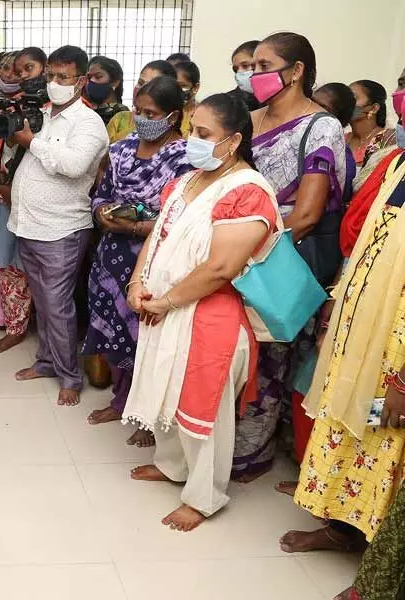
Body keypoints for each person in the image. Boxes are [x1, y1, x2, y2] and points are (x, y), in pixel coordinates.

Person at [124, 93, 275, 532]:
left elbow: (222, 267)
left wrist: (168, 300)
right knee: (167, 385)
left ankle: (204, 496)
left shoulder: (247, 190)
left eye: (203, 134)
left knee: (202, 405)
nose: (193, 140)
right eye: (193, 130)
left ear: (233, 141)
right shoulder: (188, 180)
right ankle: (172, 465)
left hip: (213, 314)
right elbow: (157, 238)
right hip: (166, 305)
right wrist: (137, 283)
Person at [281, 136, 405, 557]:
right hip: (362, 330)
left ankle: (376, 554)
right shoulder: (397, 165)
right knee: (348, 420)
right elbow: (369, 244)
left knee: (386, 430)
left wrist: (404, 381)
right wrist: (340, 297)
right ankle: (341, 527)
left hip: (396, 358)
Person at [235, 31, 348, 483]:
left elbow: (306, 214)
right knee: (242, 353)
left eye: (263, 66)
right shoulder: (252, 117)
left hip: (281, 258)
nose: (252, 75)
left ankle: (254, 452)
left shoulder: (319, 127)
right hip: (237, 254)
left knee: (272, 358)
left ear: (297, 70)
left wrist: (250, 244)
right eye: (250, 67)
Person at [83, 76, 193, 446]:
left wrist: (136, 226)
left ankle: (147, 417)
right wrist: (103, 216)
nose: (143, 118)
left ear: (173, 115)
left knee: (145, 335)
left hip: (153, 260)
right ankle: (121, 400)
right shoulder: (122, 148)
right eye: (138, 110)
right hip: (111, 256)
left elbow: (179, 215)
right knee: (113, 327)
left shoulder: (185, 157)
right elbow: (101, 194)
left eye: (152, 113)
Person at [9, 45, 108, 407]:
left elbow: (73, 165)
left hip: (62, 229)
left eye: (62, 77)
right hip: (30, 225)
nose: (54, 83)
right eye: (50, 75)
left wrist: (30, 142)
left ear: (81, 81)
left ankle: (70, 377)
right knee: (44, 302)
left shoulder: (88, 122)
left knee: (58, 304)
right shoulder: (45, 114)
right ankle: (47, 362)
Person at [0, 51, 33, 353]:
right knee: (5, 262)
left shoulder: (41, 108)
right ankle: (15, 326)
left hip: (38, 201)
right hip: (3, 194)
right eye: (8, 69)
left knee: (33, 266)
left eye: (20, 71)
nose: (13, 75)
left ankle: (31, 323)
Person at [107, 60, 177, 143]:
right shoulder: (120, 118)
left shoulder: (176, 131)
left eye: (151, 86)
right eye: (140, 83)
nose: (142, 90)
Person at [347, 80, 396, 167]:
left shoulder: (388, 139)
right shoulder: (342, 139)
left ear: (374, 108)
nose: (345, 103)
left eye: (353, 98)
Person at [84, 56, 129, 128]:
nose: (92, 81)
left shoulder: (122, 115)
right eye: (89, 77)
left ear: (115, 82)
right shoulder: (84, 109)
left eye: (98, 76)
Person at [228, 40, 261, 112]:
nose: (239, 72)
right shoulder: (229, 103)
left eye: (245, 66)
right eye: (235, 69)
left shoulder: (278, 100)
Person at [175, 60, 200, 136]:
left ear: (195, 87)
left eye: (182, 86)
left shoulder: (201, 113)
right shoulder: (167, 113)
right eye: (174, 85)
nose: (177, 90)